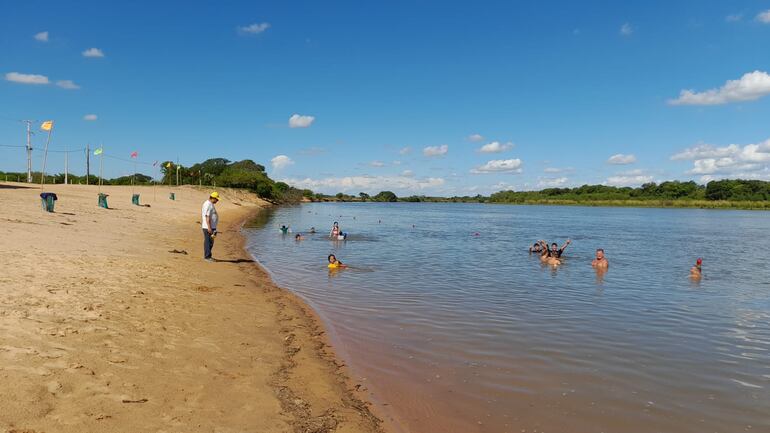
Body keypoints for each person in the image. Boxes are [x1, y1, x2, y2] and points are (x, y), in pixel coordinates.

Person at [202, 192, 220, 262]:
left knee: (211, 242)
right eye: (216, 199)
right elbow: (207, 216)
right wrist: (209, 227)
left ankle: (209, 256)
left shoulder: (210, 204)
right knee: (208, 242)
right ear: (213, 198)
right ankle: (207, 257)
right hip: (208, 227)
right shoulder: (208, 204)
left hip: (212, 227)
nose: (217, 201)